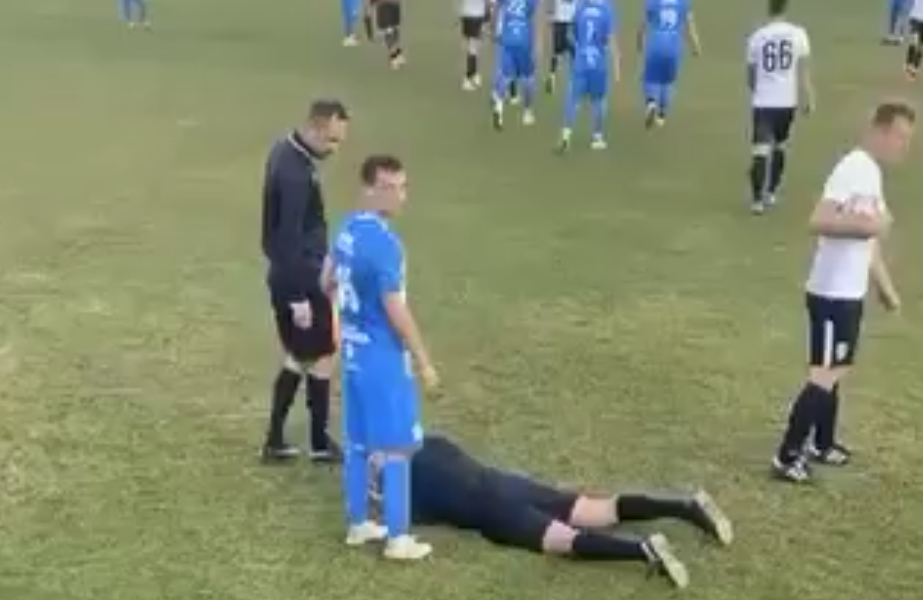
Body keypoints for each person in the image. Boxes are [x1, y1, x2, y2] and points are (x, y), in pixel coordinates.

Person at [372, 433, 733, 588]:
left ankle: (643, 550)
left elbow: (414, 515)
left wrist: (381, 498)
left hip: (493, 513)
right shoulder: (432, 443)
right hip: (508, 483)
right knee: (601, 510)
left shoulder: (410, 496)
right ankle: (683, 506)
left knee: (566, 541)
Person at [770, 101, 914, 484]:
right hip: (831, 292)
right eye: (900, 136)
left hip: (849, 293)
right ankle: (787, 455)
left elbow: (872, 240)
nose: (903, 146)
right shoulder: (853, 168)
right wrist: (867, 227)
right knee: (826, 372)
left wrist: (885, 288)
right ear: (880, 131)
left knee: (838, 367)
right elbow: (819, 219)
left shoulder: (871, 174)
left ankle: (823, 442)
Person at [328, 155, 439, 561]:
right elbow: (395, 307)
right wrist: (423, 360)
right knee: (396, 448)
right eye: (391, 187)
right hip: (382, 358)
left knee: (358, 444)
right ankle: (398, 538)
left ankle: (358, 524)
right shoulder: (387, 246)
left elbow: (326, 279)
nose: (400, 196)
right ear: (369, 189)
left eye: (403, 187)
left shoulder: (347, 229)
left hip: (353, 354)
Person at [259, 100, 350, 464]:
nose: (334, 148)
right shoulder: (295, 173)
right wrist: (298, 296)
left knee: (300, 355)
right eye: (331, 140)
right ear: (314, 127)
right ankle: (319, 443)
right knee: (324, 353)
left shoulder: (285, 150)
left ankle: (277, 440)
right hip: (302, 279)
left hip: (292, 275)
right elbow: (287, 236)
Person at [745, 0, 814, 215]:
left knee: (760, 150)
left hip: (764, 101)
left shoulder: (757, 37)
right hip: (787, 102)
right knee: (780, 146)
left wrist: (756, 90)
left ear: (769, 8)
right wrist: (808, 97)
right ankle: (771, 192)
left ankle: (757, 201)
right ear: (786, 7)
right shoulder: (798, 34)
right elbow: (803, 71)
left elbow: (751, 75)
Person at [558, 0, 620, 152]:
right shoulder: (607, 8)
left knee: (573, 99)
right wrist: (617, 66)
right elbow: (611, 38)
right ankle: (597, 137)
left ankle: (566, 135)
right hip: (598, 62)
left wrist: (579, 47)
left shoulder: (581, 6)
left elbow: (570, 35)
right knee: (599, 101)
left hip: (581, 60)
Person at [638, 0, 701, 129]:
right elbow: (691, 27)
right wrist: (696, 47)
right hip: (674, 46)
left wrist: (639, 43)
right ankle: (662, 115)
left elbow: (642, 26)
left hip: (656, 44)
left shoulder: (652, 2)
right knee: (668, 82)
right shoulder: (683, 3)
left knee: (648, 78)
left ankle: (651, 102)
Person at [492, 0, 544, 130]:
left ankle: (498, 107)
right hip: (524, 39)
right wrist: (538, 42)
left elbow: (497, 9)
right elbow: (535, 18)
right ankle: (527, 112)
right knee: (528, 78)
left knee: (506, 76)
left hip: (508, 37)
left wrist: (494, 31)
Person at [460, 0, 495, 91]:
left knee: (473, 46)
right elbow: (490, 3)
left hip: (468, 15)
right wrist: (489, 20)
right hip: (476, 16)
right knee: (473, 47)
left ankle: (474, 74)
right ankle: (467, 79)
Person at [545, 0, 578, 94]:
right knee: (575, 55)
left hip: (559, 23)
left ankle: (552, 76)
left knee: (556, 53)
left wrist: (549, 14)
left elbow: (550, 4)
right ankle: (576, 82)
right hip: (572, 23)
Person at [370, 0, 406, 69]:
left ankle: (397, 54)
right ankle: (393, 57)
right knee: (388, 30)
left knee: (395, 28)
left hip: (394, 3)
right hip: (382, 4)